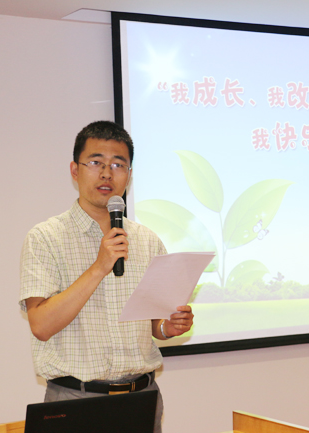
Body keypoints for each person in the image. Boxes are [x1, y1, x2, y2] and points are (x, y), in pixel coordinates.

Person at [19, 121, 193, 433]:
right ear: (75, 170)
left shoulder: (148, 241)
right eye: (96, 162)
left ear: (129, 174)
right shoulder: (45, 238)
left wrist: (168, 328)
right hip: (74, 401)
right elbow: (41, 325)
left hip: (141, 398)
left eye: (118, 165)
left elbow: (154, 323)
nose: (106, 174)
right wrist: (100, 266)